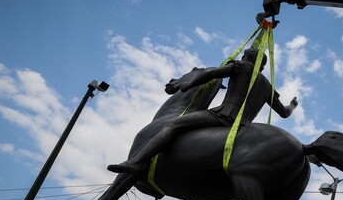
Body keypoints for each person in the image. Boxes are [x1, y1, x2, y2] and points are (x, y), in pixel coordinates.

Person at [107, 47, 298, 175]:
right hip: (243, 127)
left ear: (246, 57)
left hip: (222, 116)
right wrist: (293, 105)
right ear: (263, 66)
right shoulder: (267, 86)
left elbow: (209, 73)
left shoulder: (241, 67)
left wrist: (186, 84)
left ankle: (137, 161)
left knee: (173, 125)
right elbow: (284, 113)